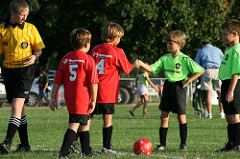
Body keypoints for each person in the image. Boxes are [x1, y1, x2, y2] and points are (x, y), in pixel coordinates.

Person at [138, 30, 204, 151]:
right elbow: (152, 68)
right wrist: (142, 64)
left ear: (179, 44)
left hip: (179, 87)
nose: (168, 45)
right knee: (164, 115)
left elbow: (200, 70)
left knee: (181, 116)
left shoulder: (184, 59)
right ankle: (162, 144)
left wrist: (188, 81)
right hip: (168, 86)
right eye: (167, 43)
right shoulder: (165, 58)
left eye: (171, 43)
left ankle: (183, 144)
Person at [0, 0, 45, 154]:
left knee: (15, 106)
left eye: (26, 15)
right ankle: (25, 145)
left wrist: (35, 56)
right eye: (22, 14)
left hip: (26, 71)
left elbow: (39, 50)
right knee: (20, 110)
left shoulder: (30, 28)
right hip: (9, 71)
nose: (24, 17)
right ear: (13, 13)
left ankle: (7, 142)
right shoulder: (2, 29)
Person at [90, 22, 139, 154]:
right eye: (119, 38)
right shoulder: (117, 51)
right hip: (107, 90)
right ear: (114, 37)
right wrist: (135, 64)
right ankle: (106, 147)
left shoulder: (95, 49)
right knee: (107, 118)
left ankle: (77, 142)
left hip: (93, 89)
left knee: (88, 116)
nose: (120, 40)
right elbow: (127, 69)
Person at [49, 28, 98, 158]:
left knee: (85, 123)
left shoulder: (65, 59)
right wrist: (94, 99)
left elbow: (57, 81)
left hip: (71, 98)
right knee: (75, 124)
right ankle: (63, 153)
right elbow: (94, 82)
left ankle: (86, 151)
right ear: (87, 44)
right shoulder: (88, 60)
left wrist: (53, 98)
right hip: (83, 97)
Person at [216, 19, 240, 152]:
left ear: (234, 34)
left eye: (225, 34)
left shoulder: (237, 50)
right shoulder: (230, 49)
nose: (223, 37)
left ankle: (238, 144)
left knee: (235, 115)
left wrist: (231, 90)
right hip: (226, 83)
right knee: (229, 115)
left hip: (234, 84)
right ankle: (231, 143)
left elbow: (236, 72)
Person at [195, 39, 224, 118]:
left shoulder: (201, 51)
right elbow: (223, 61)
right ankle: (222, 113)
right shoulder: (218, 50)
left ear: (202, 44)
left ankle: (209, 114)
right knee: (220, 93)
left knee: (208, 94)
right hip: (218, 70)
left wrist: (199, 76)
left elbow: (196, 64)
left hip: (207, 70)